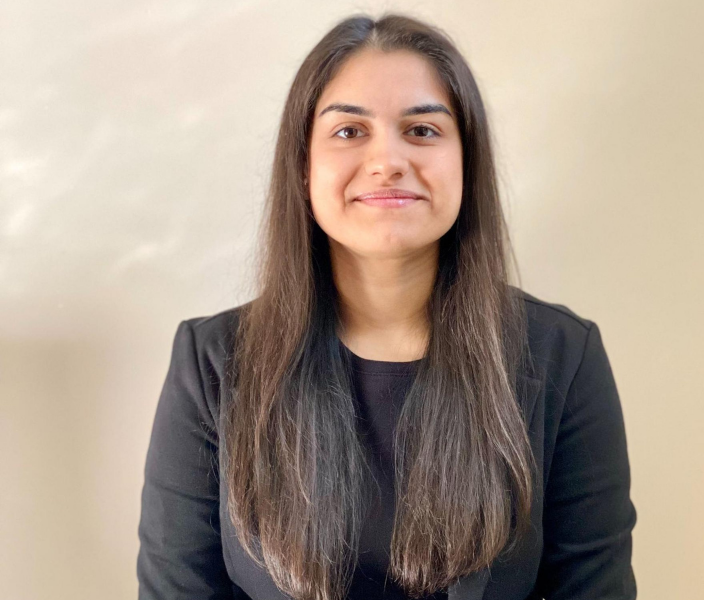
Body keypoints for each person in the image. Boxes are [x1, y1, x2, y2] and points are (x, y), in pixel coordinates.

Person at [136, 12, 637, 600]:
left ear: (466, 163)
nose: (387, 160)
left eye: (422, 131)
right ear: (303, 167)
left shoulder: (562, 356)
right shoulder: (213, 364)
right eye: (349, 132)